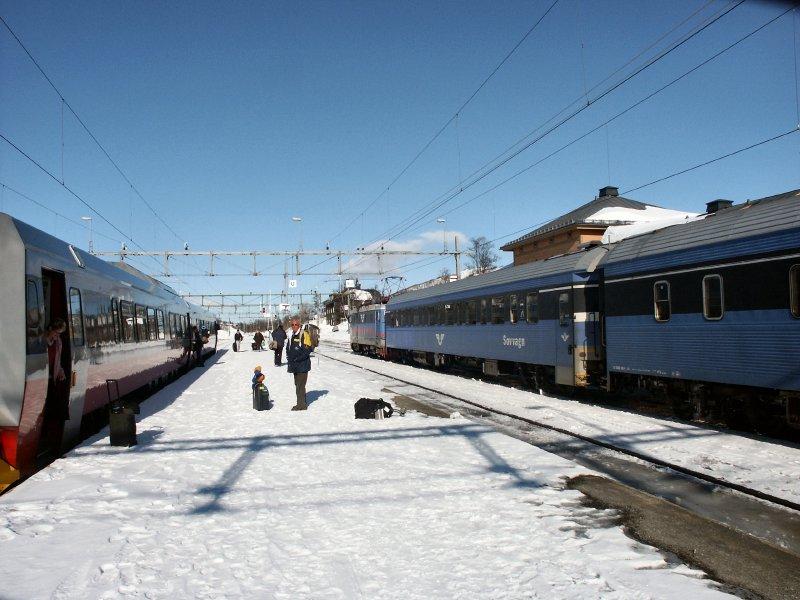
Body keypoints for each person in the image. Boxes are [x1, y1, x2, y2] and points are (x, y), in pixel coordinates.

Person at [286, 317, 312, 411]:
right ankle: (300, 403)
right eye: (292, 325)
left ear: (299, 325)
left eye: (296, 324)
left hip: (302, 365)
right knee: (297, 384)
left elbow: (307, 350)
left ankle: (301, 405)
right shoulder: (291, 335)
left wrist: (297, 359)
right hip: (295, 365)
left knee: (300, 385)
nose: (294, 326)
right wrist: (289, 358)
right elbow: (288, 348)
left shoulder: (304, 334)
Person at [45, 319, 69, 420]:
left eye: (60, 333)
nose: (57, 335)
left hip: (52, 376)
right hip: (42, 375)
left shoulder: (58, 341)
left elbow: (57, 359)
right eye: (56, 332)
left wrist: (60, 371)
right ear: (51, 329)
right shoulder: (41, 340)